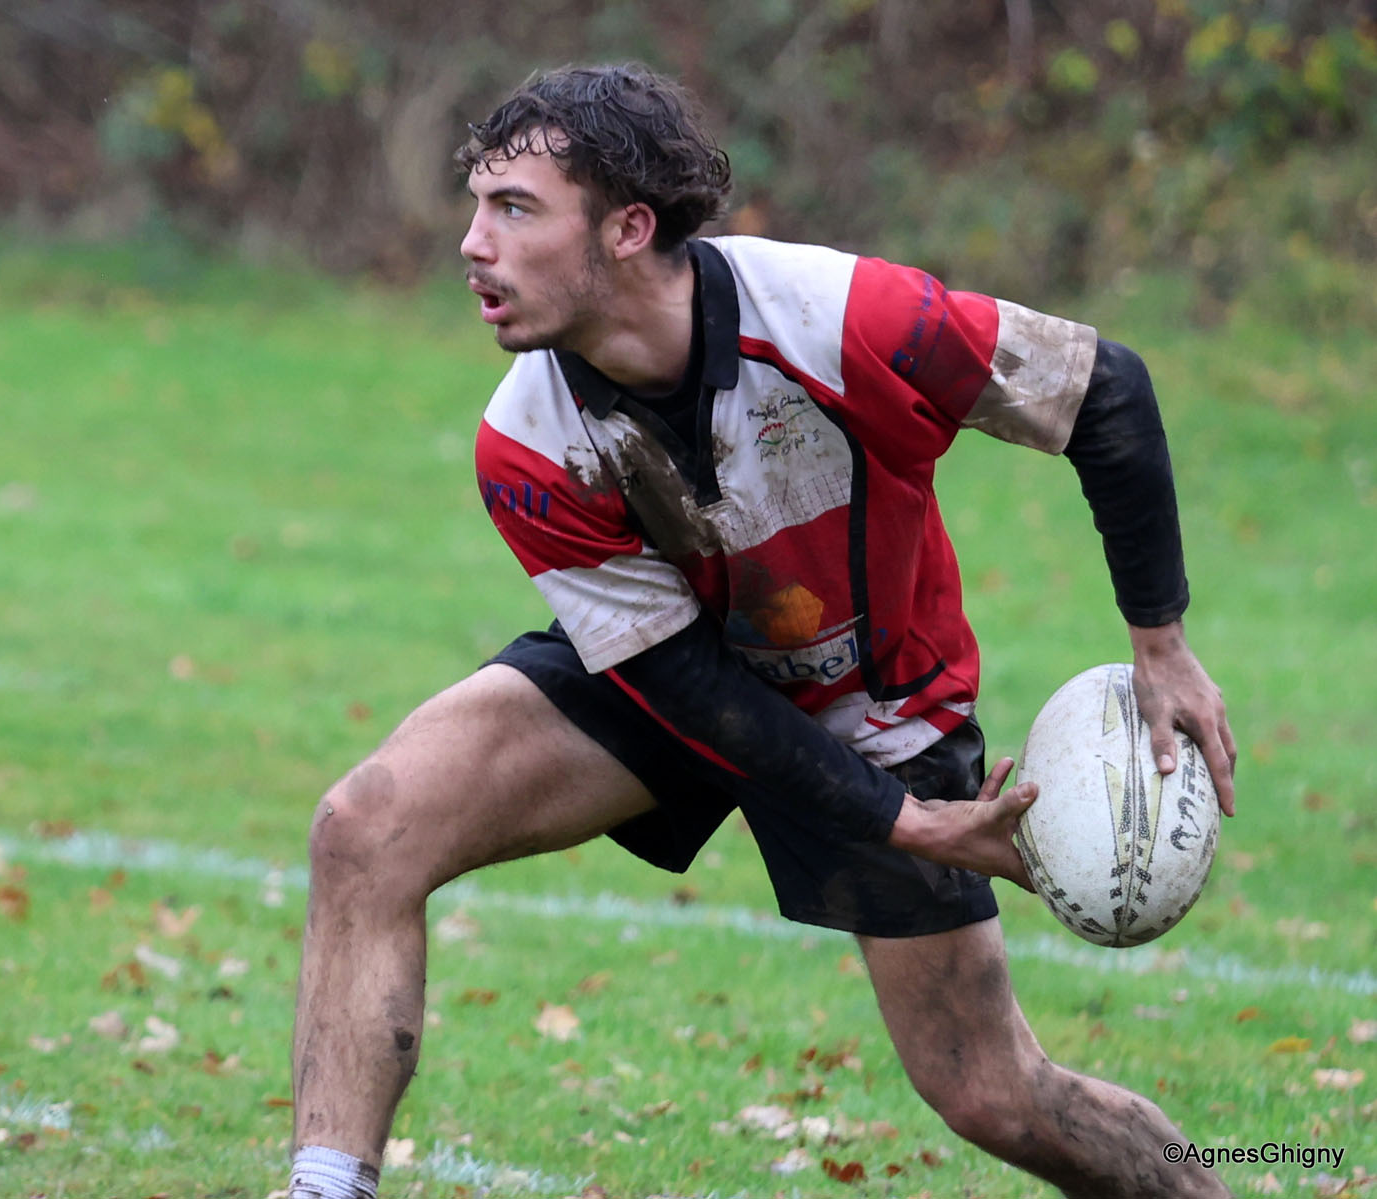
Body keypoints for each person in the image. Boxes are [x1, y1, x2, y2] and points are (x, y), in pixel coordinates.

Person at [287, 63, 1238, 1199]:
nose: (472, 244)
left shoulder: (843, 319)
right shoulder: (529, 442)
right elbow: (680, 683)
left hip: (876, 705)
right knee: (365, 828)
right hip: (675, 669)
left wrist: (1160, 643)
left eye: (515, 209)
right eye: (477, 205)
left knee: (992, 1092)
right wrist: (905, 823)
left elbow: (1102, 389)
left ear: (628, 228)